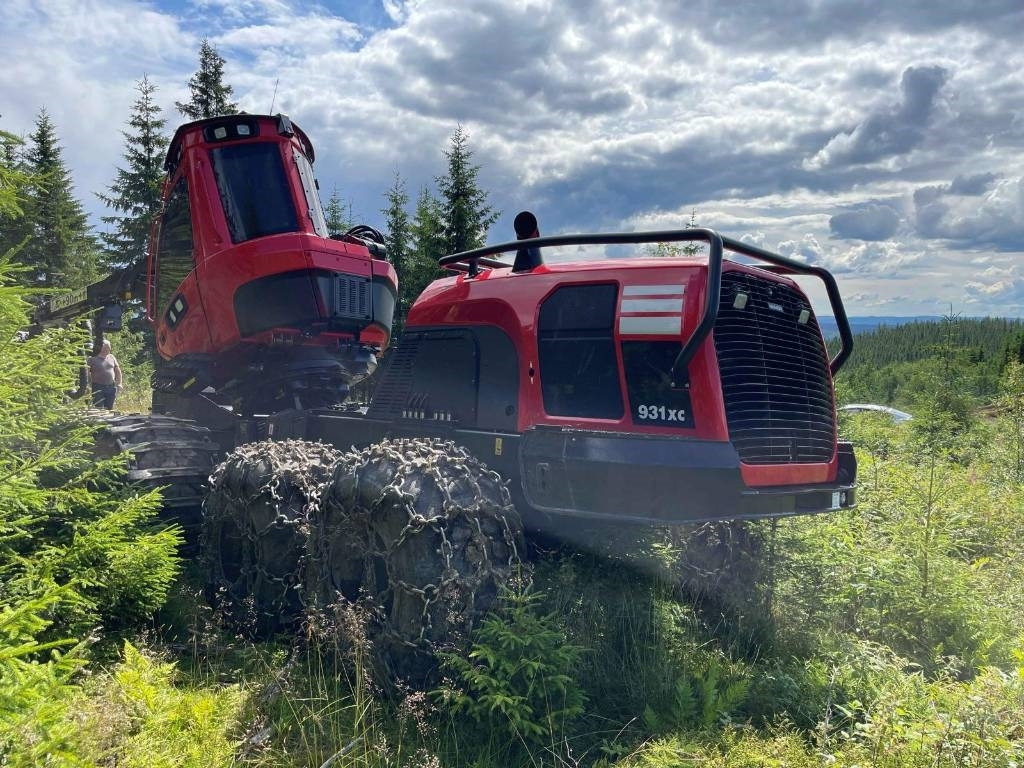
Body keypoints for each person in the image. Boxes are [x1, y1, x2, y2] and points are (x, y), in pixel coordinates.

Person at [87, 339, 123, 409]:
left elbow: (118, 371)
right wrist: (88, 385)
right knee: (98, 407)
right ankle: (99, 419)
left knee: (109, 407)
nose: (109, 348)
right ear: (102, 347)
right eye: (108, 347)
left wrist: (120, 383)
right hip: (97, 387)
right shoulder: (92, 358)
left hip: (111, 386)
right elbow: (87, 372)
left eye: (109, 347)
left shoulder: (111, 357)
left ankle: (108, 419)